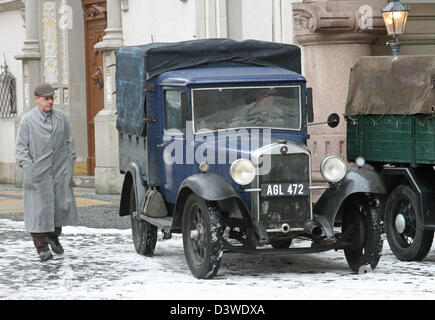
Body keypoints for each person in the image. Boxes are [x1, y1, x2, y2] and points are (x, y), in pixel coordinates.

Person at [15, 83, 78, 261]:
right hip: (37, 174)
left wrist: (69, 164)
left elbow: (69, 142)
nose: (50, 102)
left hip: (58, 172)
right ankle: (41, 246)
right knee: (37, 212)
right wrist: (30, 169)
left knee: (58, 209)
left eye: (52, 98)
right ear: (37, 99)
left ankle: (53, 236)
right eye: (46, 99)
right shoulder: (28, 120)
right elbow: (21, 149)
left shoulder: (60, 118)